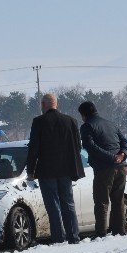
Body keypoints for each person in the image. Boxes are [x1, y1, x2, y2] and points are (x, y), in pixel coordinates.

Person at [25, 93, 85, 244]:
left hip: (47, 171)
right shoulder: (71, 121)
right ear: (56, 104)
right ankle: (73, 236)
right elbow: (78, 146)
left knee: (53, 206)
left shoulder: (38, 122)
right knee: (68, 203)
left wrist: (31, 170)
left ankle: (58, 238)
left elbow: (33, 148)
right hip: (67, 170)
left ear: (44, 105)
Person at [78, 101, 127, 237]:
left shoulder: (87, 126)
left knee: (101, 202)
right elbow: (124, 142)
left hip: (104, 169)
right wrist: (122, 155)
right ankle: (120, 232)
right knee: (118, 201)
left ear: (83, 114)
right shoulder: (110, 123)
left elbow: (90, 147)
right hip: (121, 168)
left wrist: (112, 158)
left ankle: (101, 234)